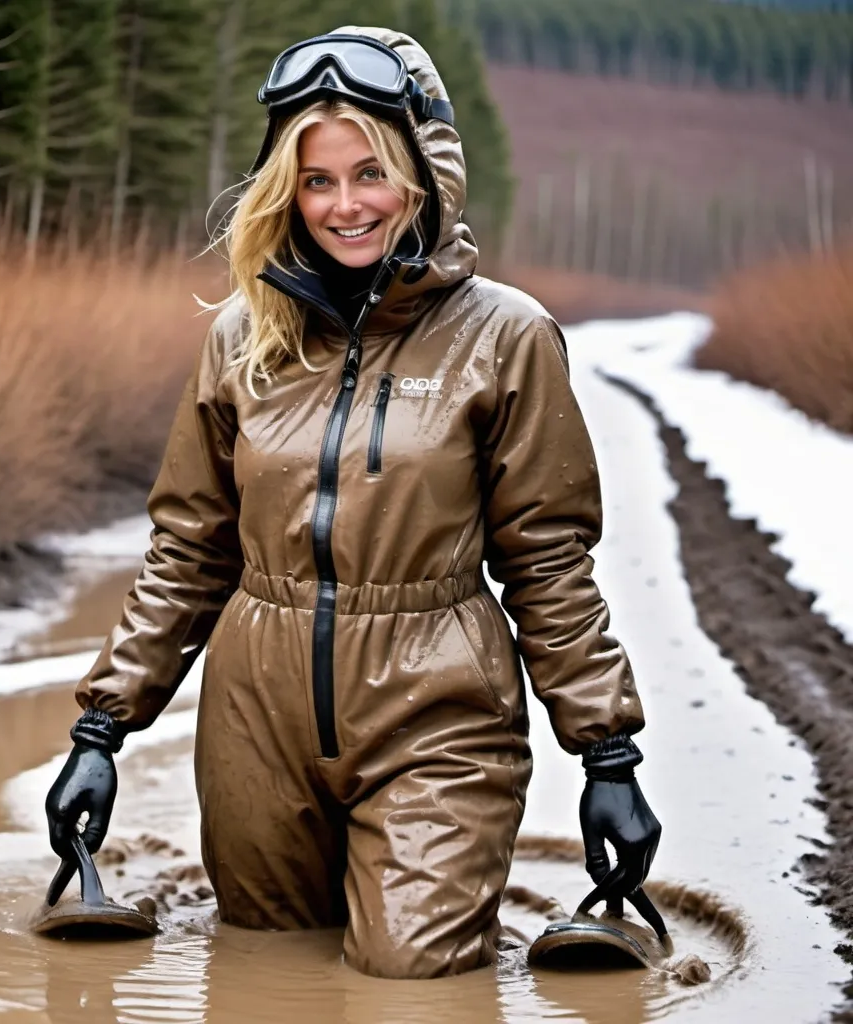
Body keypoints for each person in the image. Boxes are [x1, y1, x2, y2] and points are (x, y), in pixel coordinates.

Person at [45, 26, 662, 981]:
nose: (344, 206)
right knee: (260, 972)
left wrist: (607, 753)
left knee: (410, 979)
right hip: (256, 719)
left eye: (369, 172)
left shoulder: (507, 336)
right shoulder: (244, 336)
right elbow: (188, 550)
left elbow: (547, 559)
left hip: (439, 708)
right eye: (317, 179)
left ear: (423, 175)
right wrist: (103, 729)